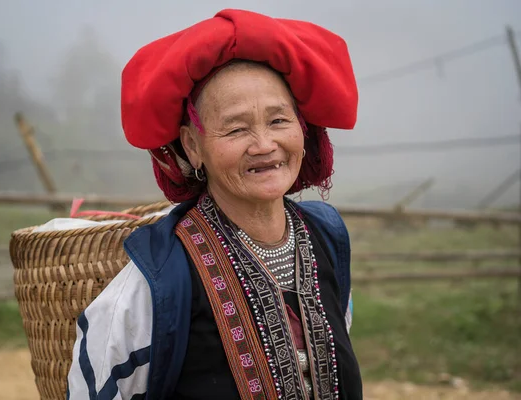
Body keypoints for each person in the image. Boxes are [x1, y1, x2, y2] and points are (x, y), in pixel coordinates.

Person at [67, 9, 362, 400]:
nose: (264, 145)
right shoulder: (154, 284)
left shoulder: (326, 239)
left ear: (302, 127)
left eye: (278, 121)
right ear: (192, 146)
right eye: (237, 128)